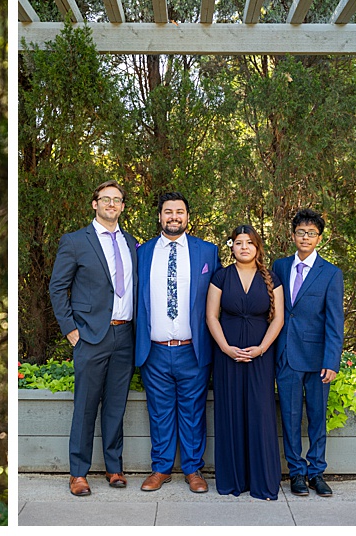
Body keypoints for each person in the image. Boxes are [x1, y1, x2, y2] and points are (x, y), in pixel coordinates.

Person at [48, 179, 138, 497]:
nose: (111, 204)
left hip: (125, 334)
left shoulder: (131, 242)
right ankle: (78, 473)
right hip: (91, 336)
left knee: (116, 406)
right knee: (85, 406)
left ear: (123, 206)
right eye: (106, 199)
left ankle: (114, 468)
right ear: (95, 204)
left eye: (117, 199)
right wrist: (72, 331)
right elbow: (58, 287)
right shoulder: (75, 241)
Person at [133, 191, 219, 493]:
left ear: (187, 217)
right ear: (159, 216)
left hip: (192, 349)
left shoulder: (208, 252)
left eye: (179, 212)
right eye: (168, 212)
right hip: (154, 349)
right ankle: (161, 468)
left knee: (193, 410)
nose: (173, 217)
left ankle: (194, 470)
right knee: (159, 411)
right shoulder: (142, 253)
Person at [205, 225, 284, 500]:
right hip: (227, 355)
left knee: (260, 414)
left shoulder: (271, 278)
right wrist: (225, 347)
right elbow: (211, 316)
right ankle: (233, 481)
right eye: (238, 242)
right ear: (232, 247)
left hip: (261, 357)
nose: (244, 247)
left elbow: (278, 318)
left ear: (257, 246)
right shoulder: (221, 276)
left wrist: (262, 348)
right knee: (230, 412)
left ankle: (262, 482)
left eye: (249, 242)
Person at [273, 208, 344, 497]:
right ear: (293, 235)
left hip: (317, 360)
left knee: (317, 417)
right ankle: (297, 473)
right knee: (289, 417)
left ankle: (316, 472)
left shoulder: (330, 273)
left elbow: (335, 320)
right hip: (286, 355)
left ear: (319, 238)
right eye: (301, 232)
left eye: (311, 233)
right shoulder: (279, 266)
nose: (305, 237)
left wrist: (331, 360)